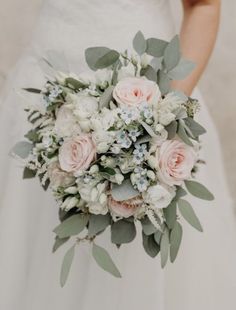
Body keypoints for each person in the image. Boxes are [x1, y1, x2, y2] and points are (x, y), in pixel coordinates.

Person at [0, 0, 235, 309]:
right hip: (44, 96)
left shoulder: (157, 115)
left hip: (149, 99)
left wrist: (161, 118)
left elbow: (203, 5)